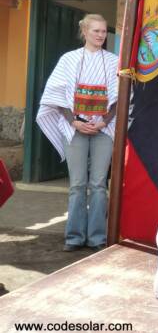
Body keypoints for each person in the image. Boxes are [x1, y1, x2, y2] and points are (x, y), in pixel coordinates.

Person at [36, 14, 119, 252]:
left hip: (103, 128)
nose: (101, 35)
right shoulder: (68, 60)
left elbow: (119, 97)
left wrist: (104, 122)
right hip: (75, 127)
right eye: (96, 31)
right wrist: (74, 122)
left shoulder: (113, 61)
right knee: (77, 184)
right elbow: (56, 95)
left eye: (104, 31)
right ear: (85, 32)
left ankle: (97, 237)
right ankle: (73, 236)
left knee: (99, 183)